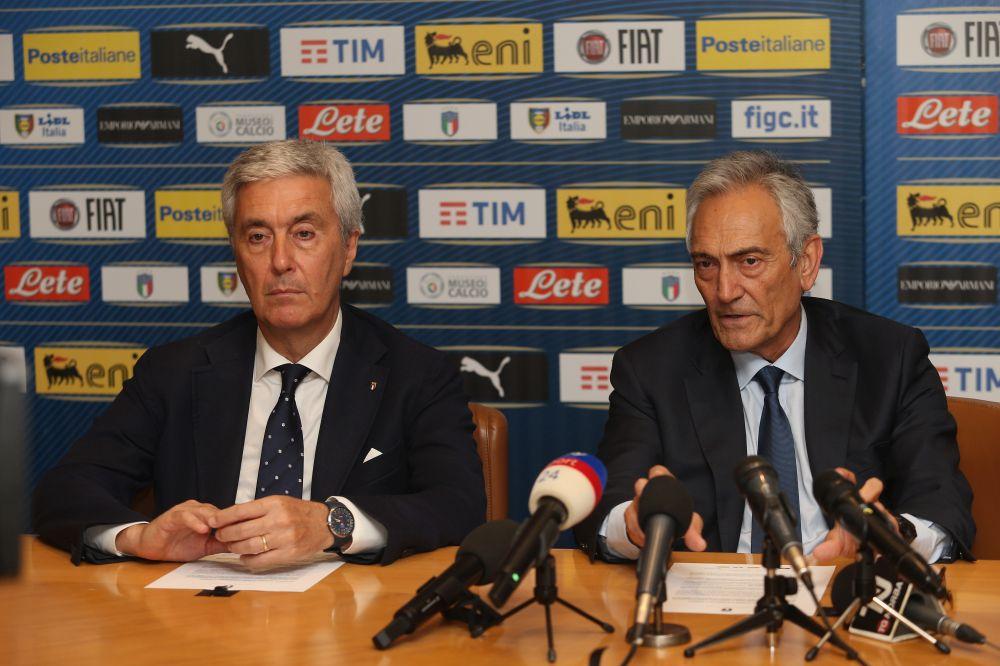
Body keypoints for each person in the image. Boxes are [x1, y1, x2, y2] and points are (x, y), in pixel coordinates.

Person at [33, 140, 486, 568]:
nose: (281, 261)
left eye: (304, 233)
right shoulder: (173, 373)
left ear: (348, 248)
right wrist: (139, 537)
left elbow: (458, 504)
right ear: (237, 254)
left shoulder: (418, 375)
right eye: (257, 237)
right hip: (200, 618)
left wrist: (332, 523)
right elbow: (66, 489)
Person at [575, 150, 974, 565]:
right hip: (712, 605)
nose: (725, 290)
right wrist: (635, 525)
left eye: (749, 261)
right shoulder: (650, 369)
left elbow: (944, 509)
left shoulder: (890, 357)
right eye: (706, 264)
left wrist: (891, 536)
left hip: (846, 591)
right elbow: (604, 514)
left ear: (806, 262)